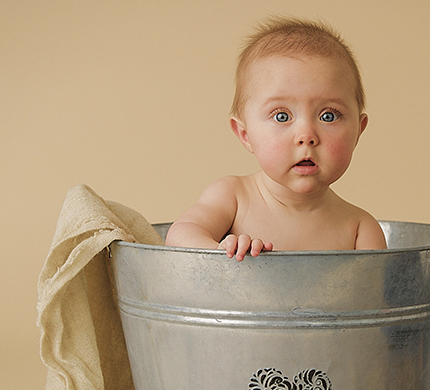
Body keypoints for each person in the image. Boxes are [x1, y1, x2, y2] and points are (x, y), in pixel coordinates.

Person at [165, 17, 387, 260]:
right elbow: (179, 236)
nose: (306, 136)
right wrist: (221, 251)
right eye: (282, 116)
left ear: (358, 132)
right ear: (245, 134)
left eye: (328, 115)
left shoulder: (359, 228)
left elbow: (376, 296)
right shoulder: (233, 196)